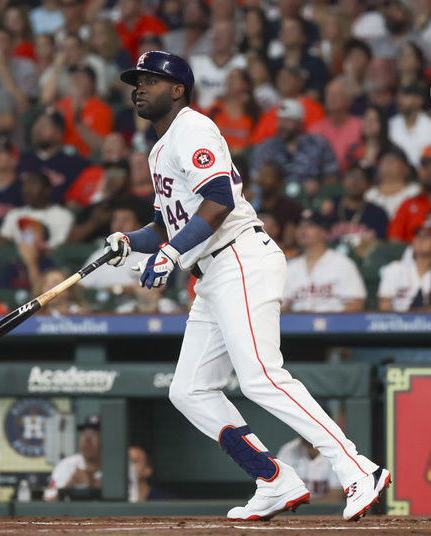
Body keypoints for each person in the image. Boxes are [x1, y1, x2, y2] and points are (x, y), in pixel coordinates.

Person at [107, 51, 388, 522]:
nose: (139, 87)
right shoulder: (159, 148)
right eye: (136, 81)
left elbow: (218, 200)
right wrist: (128, 243)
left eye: (150, 80)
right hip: (210, 275)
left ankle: (357, 466)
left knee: (260, 376)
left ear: (177, 89)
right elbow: (164, 226)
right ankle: (274, 478)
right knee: (189, 389)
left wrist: (172, 255)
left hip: (239, 256)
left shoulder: (193, 128)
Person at [283, 211, 367, 313]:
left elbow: (356, 303)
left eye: (309, 225)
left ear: (324, 232)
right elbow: (281, 307)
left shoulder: (342, 263)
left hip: (334, 326)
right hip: (297, 326)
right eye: (300, 226)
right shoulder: (289, 267)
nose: (302, 230)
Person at [378, 224, 431, 312]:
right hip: (398, 322)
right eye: (417, 236)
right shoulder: (395, 268)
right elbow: (385, 303)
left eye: (427, 236)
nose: (420, 240)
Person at [0, 171, 74, 249]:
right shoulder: (14, 214)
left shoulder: (62, 215)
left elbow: (61, 247)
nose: (27, 189)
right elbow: (1, 243)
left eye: (33, 185)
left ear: (46, 190)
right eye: (25, 185)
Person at [44, 414, 102, 502]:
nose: (87, 440)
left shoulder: (118, 467)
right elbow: (47, 503)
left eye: (94, 435)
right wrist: (69, 486)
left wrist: (93, 484)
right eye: (85, 433)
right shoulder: (66, 465)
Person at [277, 437, 344, 503]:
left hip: (327, 512)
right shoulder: (288, 451)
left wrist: (302, 507)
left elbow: (336, 497)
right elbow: (279, 493)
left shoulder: (336, 452)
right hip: (293, 512)